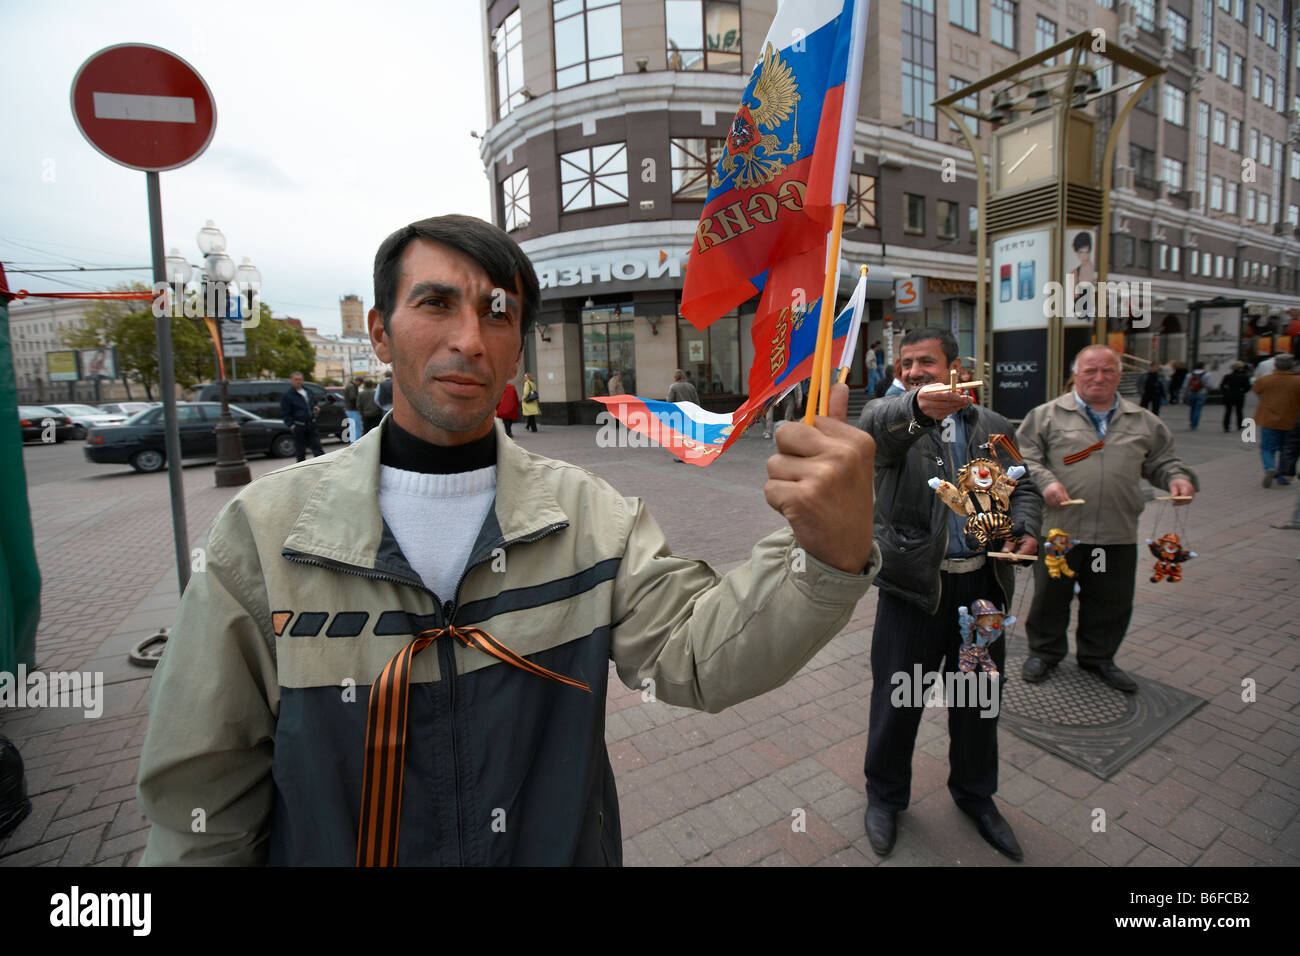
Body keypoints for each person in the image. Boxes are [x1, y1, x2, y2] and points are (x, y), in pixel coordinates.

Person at [136, 214, 881, 866]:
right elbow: (202, 801)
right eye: (435, 303)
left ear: (517, 350)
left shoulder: (591, 519)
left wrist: (825, 557)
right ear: (378, 331)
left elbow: (697, 659)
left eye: (497, 315)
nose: (469, 338)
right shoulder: (268, 535)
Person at [856, 328, 1041, 863]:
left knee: (978, 703)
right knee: (898, 700)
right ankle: (885, 799)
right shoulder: (893, 417)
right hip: (913, 589)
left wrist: (1025, 524)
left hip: (981, 592)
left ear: (956, 368)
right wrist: (917, 406)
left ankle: (976, 798)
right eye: (907, 364)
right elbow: (877, 432)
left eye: (927, 363)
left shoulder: (993, 426)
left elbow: (1022, 481)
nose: (915, 371)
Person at [1016, 345, 1198, 695]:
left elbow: (1162, 461)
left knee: (1111, 600)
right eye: (1090, 371)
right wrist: (1047, 482)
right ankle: (1044, 652)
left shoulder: (1142, 420)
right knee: (1050, 598)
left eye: (1108, 371)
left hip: (1117, 532)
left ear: (1119, 375)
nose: (1099, 378)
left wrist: (1178, 478)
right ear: (1075, 374)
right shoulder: (1046, 416)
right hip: (1060, 531)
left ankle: (1099, 657)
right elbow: (1024, 458)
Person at [1253, 353, 1300, 487]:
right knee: (1286, 449)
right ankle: (1282, 477)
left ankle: (1269, 468)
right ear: (1291, 365)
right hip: (1291, 420)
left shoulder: (1265, 380)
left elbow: (1256, 390)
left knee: (1267, 448)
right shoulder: (1297, 381)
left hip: (1269, 419)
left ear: (1275, 365)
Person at [280, 371, 323, 461]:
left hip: (311, 424)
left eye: (300, 379)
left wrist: (316, 410)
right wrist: (292, 425)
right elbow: (285, 413)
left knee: (317, 449)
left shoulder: (308, 391)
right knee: (300, 452)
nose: (298, 381)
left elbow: (314, 403)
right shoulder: (288, 396)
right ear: (291, 380)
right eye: (296, 379)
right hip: (299, 426)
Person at [1219, 361, 1251, 432]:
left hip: (1229, 395)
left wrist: (1225, 392)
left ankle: (1226, 426)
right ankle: (1239, 425)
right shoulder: (1244, 377)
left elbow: (1222, 386)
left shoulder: (1227, 376)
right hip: (1239, 395)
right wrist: (1243, 391)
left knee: (1228, 411)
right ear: (1240, 368)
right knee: (1239, 411)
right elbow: (1248, 387)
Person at [1182, 363, 1210, 430]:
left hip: (1191, 393)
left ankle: (1191, 422)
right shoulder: (1206, 375)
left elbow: (1185, 386)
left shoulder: (1189, 375)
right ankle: (1195, 424)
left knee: (1192, 408)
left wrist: (1184, 394)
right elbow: (1209, 385)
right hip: (1201, 393)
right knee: (1198, 409)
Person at [343, 374, 365, 443]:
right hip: (353, 410)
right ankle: (357, 444)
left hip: (349, 409)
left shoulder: (349, 385)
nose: (360, 385)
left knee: (352, 428)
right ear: (358, 381)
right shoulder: (352, 387)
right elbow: (353, 397)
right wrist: (360, 402)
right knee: (357, 428)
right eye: (360, 383)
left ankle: (352, 444)